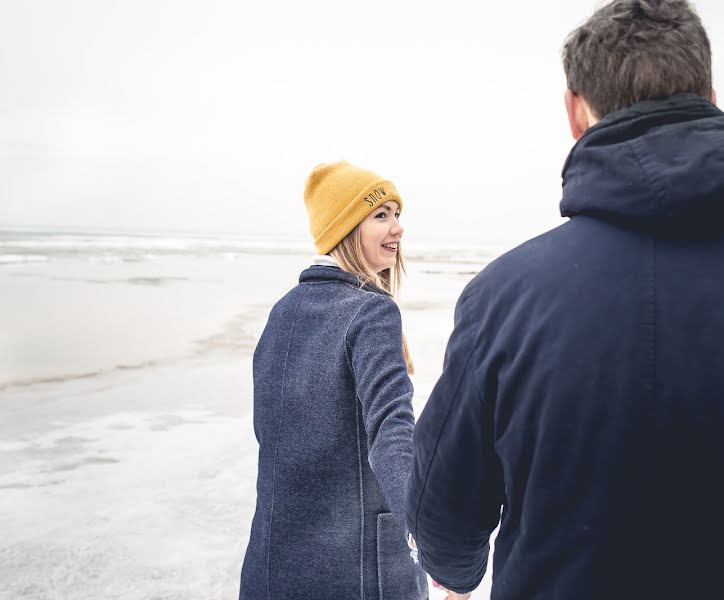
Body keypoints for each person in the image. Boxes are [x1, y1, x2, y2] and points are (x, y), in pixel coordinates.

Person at [404, 1, 724, 598]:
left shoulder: (504, 297)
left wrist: (455, 570)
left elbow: (443, 512)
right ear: (710, 91)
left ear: (575, 111)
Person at [239, 161, 428, 599]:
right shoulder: (372, 312)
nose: (397, 227)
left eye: (397, 214)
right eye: (381, 215)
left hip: (273, 567)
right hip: (359, 571)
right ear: (345, 227)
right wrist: (425, 531)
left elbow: (268, 436)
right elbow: (392, 429)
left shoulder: (282, 312)